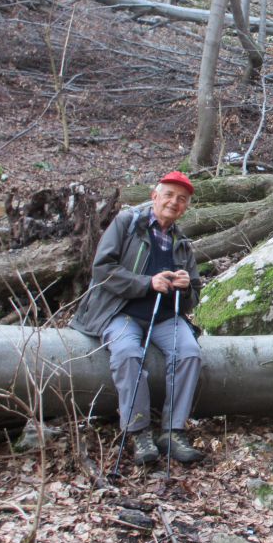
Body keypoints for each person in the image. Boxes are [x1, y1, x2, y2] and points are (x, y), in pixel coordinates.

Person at [71, 171, 205, 466]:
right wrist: (146, 283)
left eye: (181, 199)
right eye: (169, 195)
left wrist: (185, 286)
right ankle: (139, 431)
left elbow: (194, 294)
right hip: (121, 312)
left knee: (189, 353)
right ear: (154, 196)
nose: (174, 202)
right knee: (128, 353)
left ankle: (173, 431)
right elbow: (102, 270)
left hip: (165, 317)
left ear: (186, 207)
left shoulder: (182, 243)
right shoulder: (127, 224)